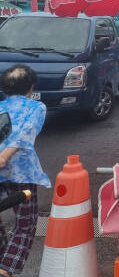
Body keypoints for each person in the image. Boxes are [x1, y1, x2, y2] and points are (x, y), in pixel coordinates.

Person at [0, 64, 50, 276]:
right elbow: (25, 135)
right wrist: (4, 156)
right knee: (26, 223)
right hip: (22, 172)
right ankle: (5, 269)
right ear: (31, 87)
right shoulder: (36, 107)